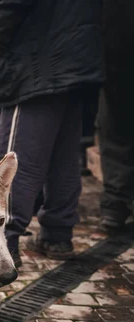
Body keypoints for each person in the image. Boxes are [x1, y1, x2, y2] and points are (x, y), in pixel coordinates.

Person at [0, 0, 104, 266]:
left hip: (33, 63)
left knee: (14, 163)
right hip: (76, 60)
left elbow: (8, 6)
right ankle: (58, 235)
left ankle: (5, 241)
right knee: (64, 158)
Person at [97, 0, 134, 230]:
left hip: (116, 48)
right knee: (115, 126)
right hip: (116, 48)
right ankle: (115, 205)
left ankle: (115, 205)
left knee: (115, 128)